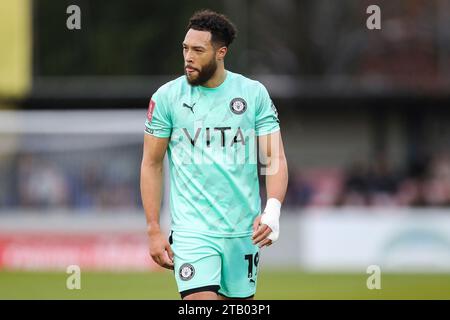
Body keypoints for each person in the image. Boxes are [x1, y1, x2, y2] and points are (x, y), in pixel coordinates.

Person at [140, 9, 288, 300]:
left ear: (221, 52)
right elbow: (151, 163)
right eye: (185, 48)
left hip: (243, 232)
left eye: (198, 50)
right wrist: (153, 229)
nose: (188, 57)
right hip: (192, 231)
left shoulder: (253, 94)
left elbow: (275, 158)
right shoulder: (167, 98)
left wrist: (273, 210)